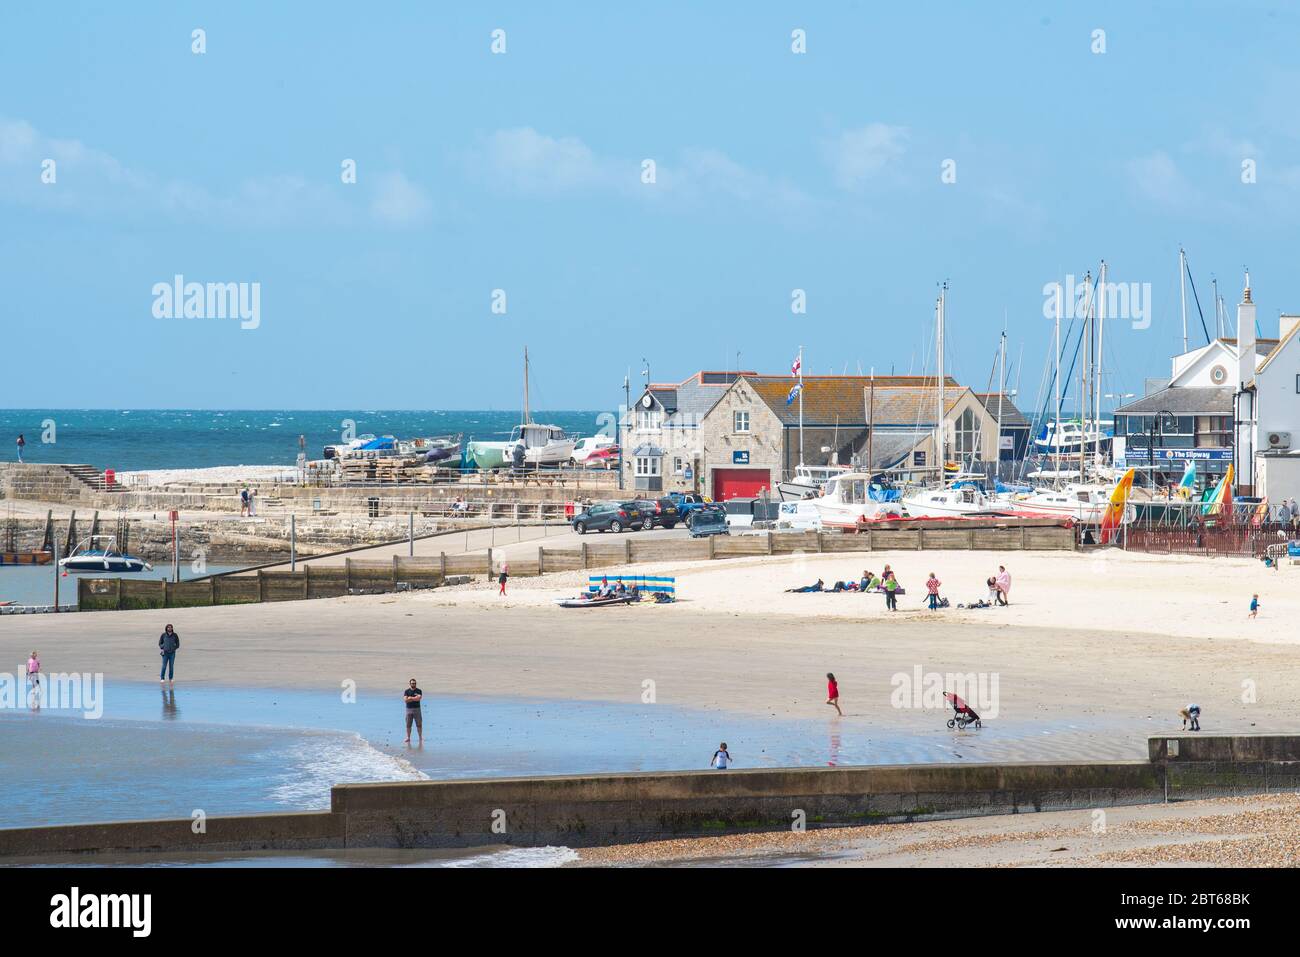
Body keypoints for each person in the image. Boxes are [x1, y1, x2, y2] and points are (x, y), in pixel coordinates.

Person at [403, 678, 424, 744]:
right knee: (408, 725)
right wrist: (414, 698)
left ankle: (420, 737)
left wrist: (411, 698)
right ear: (410, 684)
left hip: (417, 709)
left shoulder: (419, 690)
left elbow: (419, 698)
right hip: (409, 709)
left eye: (414, 683)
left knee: (419, 724)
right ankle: (408, 738)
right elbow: (405, 700)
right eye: (412, 683)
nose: (413, 684)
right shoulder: (407, 691)